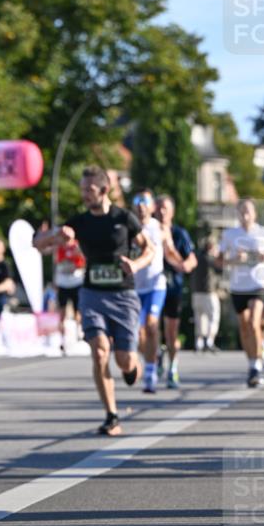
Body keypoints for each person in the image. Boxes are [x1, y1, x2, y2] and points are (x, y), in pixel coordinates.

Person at [34, 166, 154, 435]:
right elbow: (38, 243)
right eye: (82, 190)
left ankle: (131, 367)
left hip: (123, 295)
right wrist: (56, 236)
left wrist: (136, 264)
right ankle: (111, 416)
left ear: (104, 190)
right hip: (91, 294)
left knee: (123, 360)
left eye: (89, 190)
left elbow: (150, 248)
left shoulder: (124, 218)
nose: (84, 195)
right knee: (100, 351)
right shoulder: (78, 222)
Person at [217, 198, 264, 387]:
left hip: (258, 283)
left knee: (253, 322)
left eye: (248, 211)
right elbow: (219, 261)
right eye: (241, 211)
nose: (245, 215)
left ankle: (257, 366)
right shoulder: (229, 235)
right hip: (238, 286)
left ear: (254, 213)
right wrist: (234, 260)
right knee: (243, 326)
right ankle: (251, 363)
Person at [155, 195, 197, 388]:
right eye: (159, 208)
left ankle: (172, 366)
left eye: (165, 208)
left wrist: (184, 264)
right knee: (150, 328)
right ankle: (156, 355)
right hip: (152, 287)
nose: (162, 212)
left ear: (172, 212)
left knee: (171, 332)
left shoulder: (179, 233)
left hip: (173, 288)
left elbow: (191, 260)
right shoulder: (148, 231)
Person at [132, 190, 168, 394]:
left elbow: (165, 246)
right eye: (137, 201)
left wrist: (182, 263)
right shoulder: (128, 226)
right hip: (136, 287)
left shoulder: (156, 227)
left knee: (152, 325)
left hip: (156, 285)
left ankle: (150, 372)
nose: (141, 205)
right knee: (139, 333)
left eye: (145, 201)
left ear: (152, 206)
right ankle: (153, 357)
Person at [54, 236, 85, 353]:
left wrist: (74, 260)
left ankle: (78, 334)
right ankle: (62, 340)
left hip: (76, 282)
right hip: (63, 284)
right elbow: (59, 262)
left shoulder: (77, 246)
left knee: (78, 311)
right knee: (62, 313)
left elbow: (81, 263)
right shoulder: (60, 248)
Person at [191, 237, 222, 353]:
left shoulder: (196, 257)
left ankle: (199, 342)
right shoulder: (210, 258)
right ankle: (209, 340)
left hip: (196, 292)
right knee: (213, 316)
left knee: (199, 318)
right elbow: (220, 269)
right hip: (208, 292)